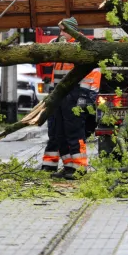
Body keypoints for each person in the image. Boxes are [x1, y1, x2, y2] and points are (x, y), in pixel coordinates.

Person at [42, 17, 101, 179]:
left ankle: (80, 168)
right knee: (60, 133)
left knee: (74, 133)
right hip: (60, 95)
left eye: (63, 30)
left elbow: (94, 75)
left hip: (75, 96)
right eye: (60, 30)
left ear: (72, 30)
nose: (61, 33)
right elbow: (45, 62)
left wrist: (85, 98)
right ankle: (69, 166)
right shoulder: (61, 46)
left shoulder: (82, 47)